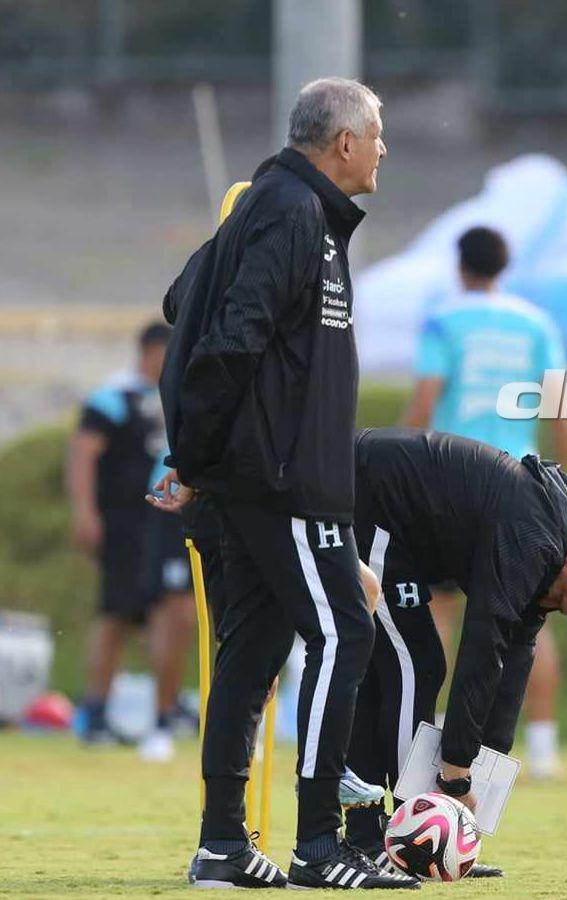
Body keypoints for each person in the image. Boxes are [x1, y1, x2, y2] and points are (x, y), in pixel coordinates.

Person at [151, 78, 413, 890]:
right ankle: (319, 846)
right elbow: (227, 338)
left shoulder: (294, 213)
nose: (382, 149)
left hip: (273, 478)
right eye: (376, 135)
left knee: (257, 648)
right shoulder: (289, 210)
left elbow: (183, 297)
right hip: (280, 483)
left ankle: (223, 845)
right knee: (345, 632)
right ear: (342, 143)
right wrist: (193, 457)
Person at [344, 427, 567, 871]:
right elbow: (483, 646)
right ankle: (410, 835)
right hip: (370, 496)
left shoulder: (561, 545)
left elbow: (516, 652)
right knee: (416, 663)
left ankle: (379, 838)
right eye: (563, 599)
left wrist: (486, 764)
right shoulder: (533, 539)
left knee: (393, 670)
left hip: (399, 526)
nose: (553, 607)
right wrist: (455, 774)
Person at [404, 225, 567, 779]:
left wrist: (404, 458)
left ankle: (424, 735)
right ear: (505, 266)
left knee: (439, 616)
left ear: (461, 265)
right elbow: (561, 405)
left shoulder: (445, 319)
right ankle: (543, 744)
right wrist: (561, 483)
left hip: (454, 487)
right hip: (523, 491)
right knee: (528, 618)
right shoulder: (536, 322)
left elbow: (426, 399)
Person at [67, 322, 195, 761]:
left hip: (169, 523)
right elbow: (83, 453)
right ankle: (96, 714)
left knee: (178, 611)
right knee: (117, 614)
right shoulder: (114, 397)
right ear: (153, 352)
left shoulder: (179, 397)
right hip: (124, 524)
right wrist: (85, 512)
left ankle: (165, 715)